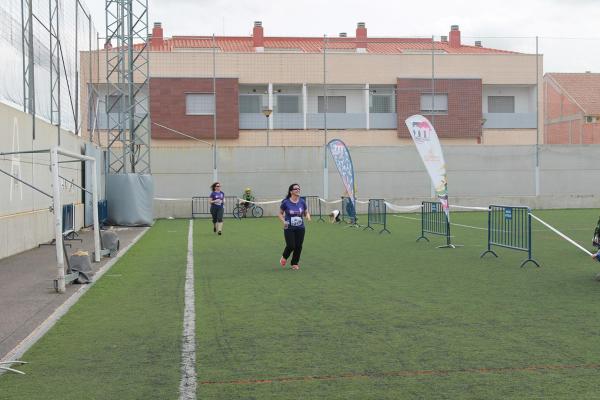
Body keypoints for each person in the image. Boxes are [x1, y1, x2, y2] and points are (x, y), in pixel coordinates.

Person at [278, 183, 311, 270]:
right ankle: (284, 257)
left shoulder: (302, 202)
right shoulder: (286, 202)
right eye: (296, 189)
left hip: (300, 227)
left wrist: (307, 215)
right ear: (291, 191)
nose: (298, 190)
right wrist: (284, 221)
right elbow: (280, 214)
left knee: (299, 246)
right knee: (291, 245)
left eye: (299, 189)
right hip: (289, 227)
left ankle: (294, 263)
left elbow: (306, 212)